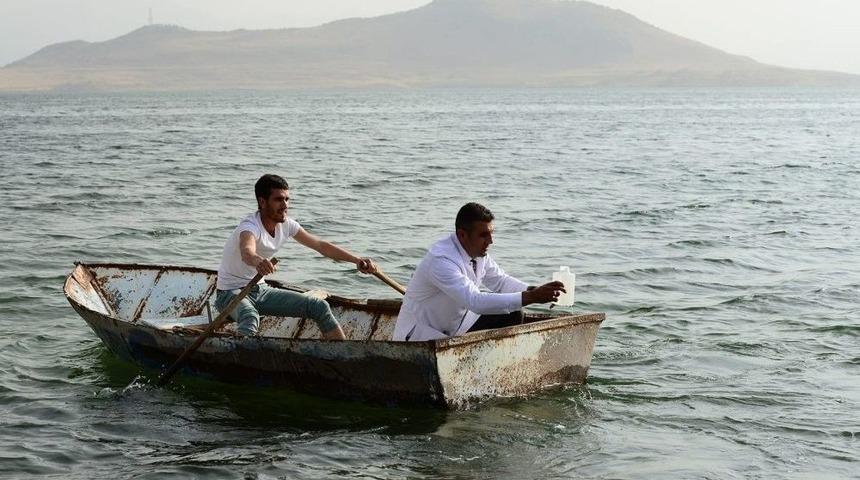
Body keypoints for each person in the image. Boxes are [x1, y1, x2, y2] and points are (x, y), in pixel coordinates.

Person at [215, 174, 377, 340]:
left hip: (260, 290)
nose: (285, 205)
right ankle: (235, 353)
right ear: (262, 202)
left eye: (287, 199)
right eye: (278, 200)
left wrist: (357, 260)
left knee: (319, 306)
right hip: (229, 293)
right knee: (249, 317)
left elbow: (321, 245)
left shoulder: (287, 224)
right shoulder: (249, 227)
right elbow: (247, 252)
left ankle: (342, 353)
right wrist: (259, 261)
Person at [392, 202, 565, 342]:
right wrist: (532, 297)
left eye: (491, 233)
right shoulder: (441, 260)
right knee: (507, 305)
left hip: (457, 327)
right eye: (483, 235)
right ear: (462, 235)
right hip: (419, 336)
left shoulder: (479, 253)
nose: (491, 241)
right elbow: (475, 301)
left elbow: (501, 282)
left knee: (513, 313)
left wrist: (533, 290)